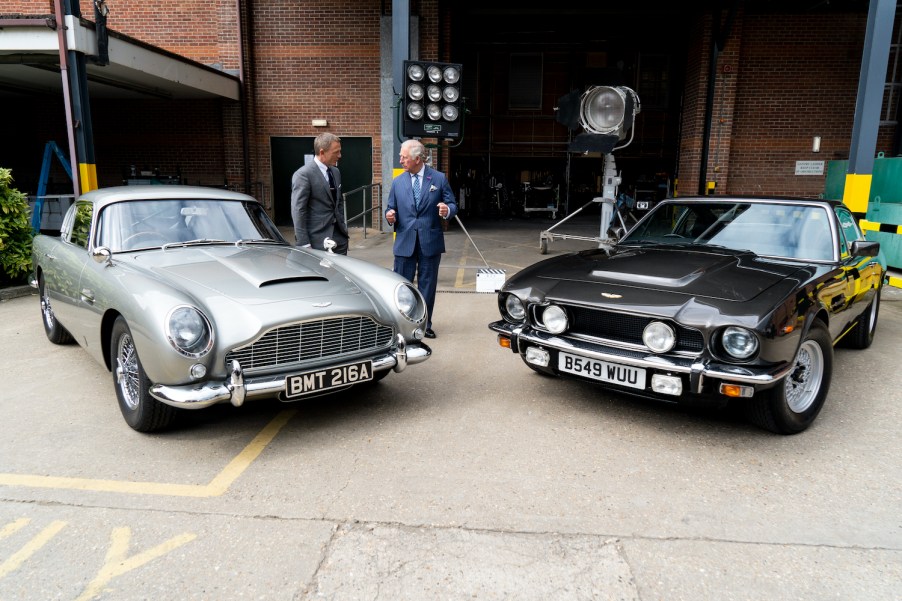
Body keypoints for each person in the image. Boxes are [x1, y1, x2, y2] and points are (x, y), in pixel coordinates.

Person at [385, 139, 458, 339]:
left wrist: (447, 210)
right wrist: (389, 215)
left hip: (430, 242)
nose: (401, 160)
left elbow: (453, 205)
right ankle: (402, 326)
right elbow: (390, 207)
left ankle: (424, 325)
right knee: (402, 287)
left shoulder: (439, 179)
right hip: (404, 242)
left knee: (427, 286)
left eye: (404, 157)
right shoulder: (398, 181)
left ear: (417, 159)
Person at [290, 132, 349, 254]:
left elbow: (338, 202)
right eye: (336, 152)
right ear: (322, 152)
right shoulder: (303, 175)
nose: (340, 155)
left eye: (340, 151)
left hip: (340, 240)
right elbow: (298, 210)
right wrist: (303, 243)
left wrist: (343, 227)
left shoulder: (336, 172)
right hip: (317, 241)